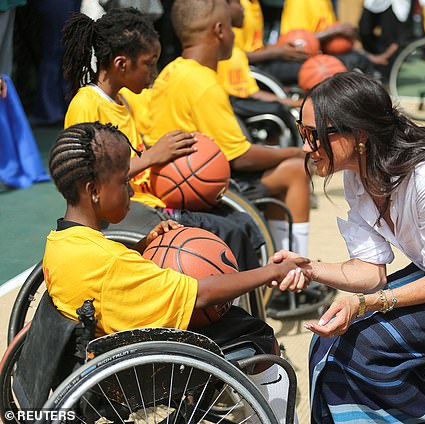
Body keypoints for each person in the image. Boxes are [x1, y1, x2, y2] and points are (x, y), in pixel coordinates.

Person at [44, 121, 308, 423]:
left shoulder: (61, 242)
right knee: (258, 335)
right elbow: (202, 293)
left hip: (102, 351)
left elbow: (110, 276)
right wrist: (269, 272)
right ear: (93, 191)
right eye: (122, 181)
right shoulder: (112, 262)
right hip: (139, 367)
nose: (131, 188)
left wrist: (145, 246)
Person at [272, 71, 425, 423]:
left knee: (365, 346)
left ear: (359, 134)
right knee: (328, 343)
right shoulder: (358, 175)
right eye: (303, 132)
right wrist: (308, 268)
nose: (304, 147)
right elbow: (369, 271)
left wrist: (365, 304)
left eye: (313, 135)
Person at [62, 7, 263, 271]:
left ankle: (248, 299)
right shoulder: (86, 105)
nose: (153, 73)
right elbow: (86, 180)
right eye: (148, 63)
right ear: (122, 64)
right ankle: (226, 306)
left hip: (151, 200)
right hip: (126, 212)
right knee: (230, 231)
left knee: (241, 221)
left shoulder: (122, 101)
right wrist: (153, 156)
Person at [147, 0, 311, 257]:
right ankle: (296, 269)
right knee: (294, 170)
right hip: (194, 186)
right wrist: (295, 153)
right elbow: (240, 158)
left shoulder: (173, 70)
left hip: (171, 179)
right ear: (220, 30)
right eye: (233, 31)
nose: (235, 35)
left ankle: (280, 259)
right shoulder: (203, 83)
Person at [217, 0, 301, 145]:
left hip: (242, 97)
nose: (244, 8)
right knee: (279, 108)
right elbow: (250, 94)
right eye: (239, 3)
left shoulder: (234, 52)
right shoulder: (230, 55)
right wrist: (291, 102)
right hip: (234, 106)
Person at [359, 0, 413, 77]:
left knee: (390, 38)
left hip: (395, 4)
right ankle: (374, 64)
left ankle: (386, 75)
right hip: (373, 3)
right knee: (364, 31)